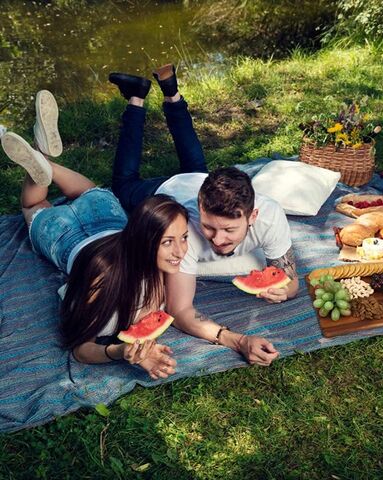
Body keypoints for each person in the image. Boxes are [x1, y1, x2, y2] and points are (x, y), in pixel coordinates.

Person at [108, 65, 300, 366]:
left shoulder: (270, 216)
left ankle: (171, 92)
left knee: (196, 165)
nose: (218, 240)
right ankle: (136, 99)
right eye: (209, 227)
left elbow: (291, 280)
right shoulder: (181, 232)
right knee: (123, 185)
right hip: (166, 190)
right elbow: (180, 310)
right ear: (199, 210)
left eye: (229, 230)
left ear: (253, 216)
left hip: (199, 181)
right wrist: (237, 340)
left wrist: (284, 291)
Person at [1, 90, 186, 380]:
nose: (180, 251)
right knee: (33, 205)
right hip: (66, 241)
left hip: (110, 221)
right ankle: (42, 159)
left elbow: (83, 348)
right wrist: (118, 350)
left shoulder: (152, 255)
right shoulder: (108, 287)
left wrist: (124, 351)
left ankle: (44, 159)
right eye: (171, 242)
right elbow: (81, 349)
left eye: (183, 239)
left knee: (87, 191)